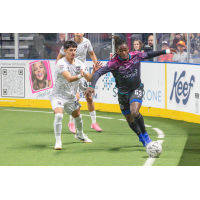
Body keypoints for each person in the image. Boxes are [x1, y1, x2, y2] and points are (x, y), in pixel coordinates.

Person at [84, 35, 177, 147]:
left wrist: (166, 51)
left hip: (136, 89)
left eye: (125, 50)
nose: (124, 53)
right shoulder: (113, 63)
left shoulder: (136, 55)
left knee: (134, 112)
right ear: (117, 51)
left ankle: (146, 136)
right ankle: (140, 136)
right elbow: (98, 72)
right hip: (122, 94)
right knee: (129, 119)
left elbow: (149, 54)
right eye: (121, 51)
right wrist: (92, 86)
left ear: (128, 49)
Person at [50, 40, 102, 150]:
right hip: (58, 95)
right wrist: (80, 76)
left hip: (71, 97)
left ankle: (80, 135)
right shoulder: (61, 63)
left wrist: (94, 72)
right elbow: (69, 78)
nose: (73, 52)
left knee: (78, 117)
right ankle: (58, 141)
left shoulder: (80, 63)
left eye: (74, 50)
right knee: (59, 115)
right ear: (65, 51)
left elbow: (88, 78)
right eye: (70, 50)